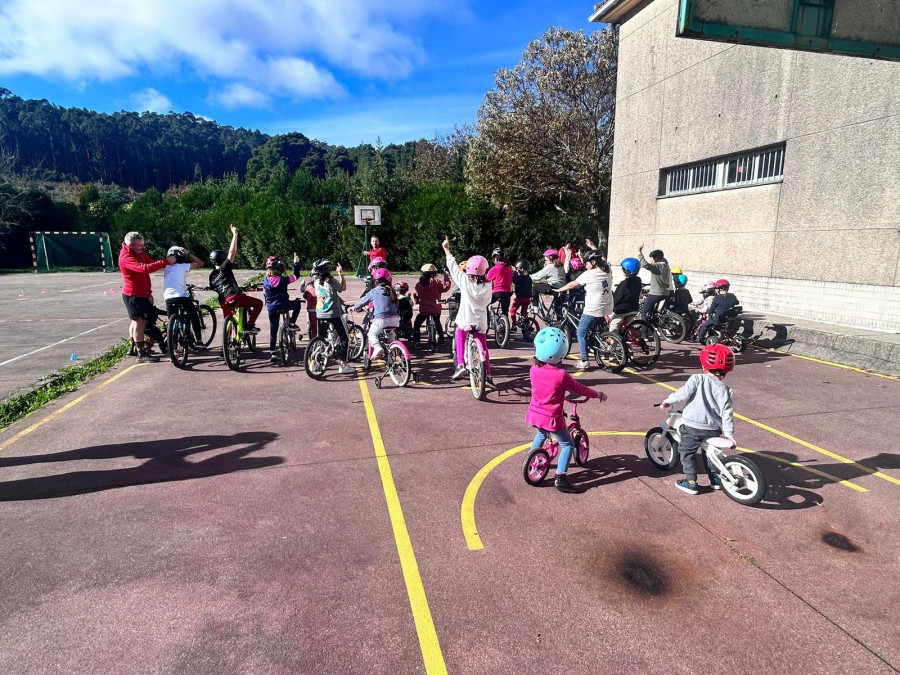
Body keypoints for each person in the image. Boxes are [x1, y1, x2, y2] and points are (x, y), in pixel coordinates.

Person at [527, 327, 606, 493]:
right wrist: (597, 394)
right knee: (568, 444)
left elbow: (545, 389)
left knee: (541, 434)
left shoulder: (533, 369)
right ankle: (560, 478)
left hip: (535, 413)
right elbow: (580, 389)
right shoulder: (561, 375)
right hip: (551, 418)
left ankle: (532, 456)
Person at [660, 343, 735, 494]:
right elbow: (727, 412)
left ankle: (691, 482)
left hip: (692, 427)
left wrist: (668, 400)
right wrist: (729, 434)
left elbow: (683, 393)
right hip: (713, 429)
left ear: (704, 366)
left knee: (686, 452)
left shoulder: (697, 379)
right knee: (710, 453)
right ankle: (715, 479)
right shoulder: (725, 390)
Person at [442, 236, 494, 386]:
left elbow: (453, 267)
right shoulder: (487, 286)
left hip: (466, 320)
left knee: (460, 335)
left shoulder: (465, 281)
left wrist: (447, 250)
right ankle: (488, 375)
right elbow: (488, 301)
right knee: (483, 347)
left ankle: (460, 365)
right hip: (481, 322)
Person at [118, 231, 177, 362]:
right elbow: (144, 268)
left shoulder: (138, 254)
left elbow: (151, 263)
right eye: (139, 245)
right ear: (131, 245)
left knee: (135, 321)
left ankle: (134, 347)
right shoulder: (127, 257)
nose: (142, 248)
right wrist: (166, 261)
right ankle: (141, 354)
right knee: (140, 322)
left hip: (141, 293)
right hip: (134, 295)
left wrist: (148, 293)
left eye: (142, 245)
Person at [553, 250, 613, 370]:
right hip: (608, 306)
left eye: (586, 263)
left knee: (580, 332)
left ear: (593, 262)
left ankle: (584, 360)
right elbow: (604, 259)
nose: (585, 266)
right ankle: (594, 343)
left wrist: (560, 290)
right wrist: (593, 247)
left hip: (594, 308)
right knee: (590, 329)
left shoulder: (589, 274)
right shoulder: (607, 269)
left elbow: (572, 284)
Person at [209, 225, 263, 334]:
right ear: (223, 259)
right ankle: (249, 325)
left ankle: (227, 346)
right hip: (233, 297)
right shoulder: (224, 268)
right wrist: (235, 234)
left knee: (228, 321)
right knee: (259, 303)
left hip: (223, 301)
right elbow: (232, 252)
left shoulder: (212, 276)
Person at [313, 258, 353, 374]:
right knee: (345, 338)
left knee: (320, 339)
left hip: (320, 313)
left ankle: (315, 363)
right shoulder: (331, 281)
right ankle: (343, 365)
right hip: (334, 314)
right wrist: (341, 275)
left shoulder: (316, 282)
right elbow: (342, 288)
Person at [163, 245, 206, 350]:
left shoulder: (166, 267)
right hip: (182, 297)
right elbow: (201, 263)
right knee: (193, 316)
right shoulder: (182, 266)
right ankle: (199, 341)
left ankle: (174, 348)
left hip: (168, 298)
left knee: (172, 321)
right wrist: (189, 253)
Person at [352, 268, 400, 361]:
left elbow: (363, 301)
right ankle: (393, 352)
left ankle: (377, 347)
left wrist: (354, 307)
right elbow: (396, 304)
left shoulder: (374, 291)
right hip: (395, 319)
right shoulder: (392, 290)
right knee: (390, 333)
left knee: (372, 334)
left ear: (376, 281)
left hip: (381, 319)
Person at [263, 254, 303, 363]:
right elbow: (296, 275)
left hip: (271, 307)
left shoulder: (265, 281)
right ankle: (291, 323)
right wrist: (296, 263)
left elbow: (265, 294)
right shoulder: (284, 280)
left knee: (273, 329)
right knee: (297, 304)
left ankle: (272, 352)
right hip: (284, 304)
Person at [412, 264, 451, 344]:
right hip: (436, 308)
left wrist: (417, 301)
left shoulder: (419, 284)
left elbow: (416, 295)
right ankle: (441, 339)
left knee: (417, 324)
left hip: (424, 309)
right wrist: (446, 276)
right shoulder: (436, 282)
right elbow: (445, 287)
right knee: (437, 322)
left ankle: (417, 341)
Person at [637, 244, 671, 326]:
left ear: (655, 258)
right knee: (652, 310)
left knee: (644, 312)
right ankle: (655, 322)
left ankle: (645, 333)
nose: (650, 260)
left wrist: (640, 252)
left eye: (651, 258)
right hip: (666, 293)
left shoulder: (656, 266)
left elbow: (644, 264)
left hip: (656, 293)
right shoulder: (666, 266)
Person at [531, 248, 567, 320]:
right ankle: (560, 323)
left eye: (546, 260)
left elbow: (538, 276)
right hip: (563, 289)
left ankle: (535, 307)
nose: (545, 262)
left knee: (535, 288)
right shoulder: (560, 265)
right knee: (558, 308)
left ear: (550, 258)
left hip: (554, 287)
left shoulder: (550, 267)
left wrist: (527, 277)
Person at [610, 257, 643, 331]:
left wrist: (612, 305)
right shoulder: (638, 280)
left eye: (623, 269)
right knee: (627, 325)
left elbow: (617, 298)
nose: (623, 270)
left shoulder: (623, 284)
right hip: (634, 308)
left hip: (623, 310)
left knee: (613, 325)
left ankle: (612, 341)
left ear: (628, 271)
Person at [486, 247, 514, 319]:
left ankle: (487, 323)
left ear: (496, 258)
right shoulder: (509, 269)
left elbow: (486, 280)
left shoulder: (495, 268)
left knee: (485, 304)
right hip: (507, 293)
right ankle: (504, 325)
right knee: (505, 311)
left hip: (497, 292)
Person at [510, 259, 533, 328]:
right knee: (524, 312)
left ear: (522, 269)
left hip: (520, 298)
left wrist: (514, 271)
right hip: (527, 298)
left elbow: (513, 278)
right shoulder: (528, 278)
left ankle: (514, 326)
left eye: (517, 268)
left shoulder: (519, 278)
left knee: (512, 311)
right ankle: (527, 323)